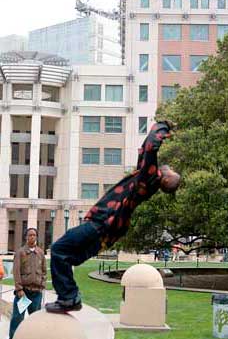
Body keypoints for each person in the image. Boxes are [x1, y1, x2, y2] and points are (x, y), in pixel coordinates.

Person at [46, 120, 180, 314]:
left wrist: (164, 125)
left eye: (172, 170)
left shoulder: (150, 179)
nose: (170, 166)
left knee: (58, 249)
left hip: (102, 223)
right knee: (65, 258)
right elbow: (144, 151)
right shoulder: (144, 178)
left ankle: (69, 298)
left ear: (166, 179)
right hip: (106, 234)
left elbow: (150, 147)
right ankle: (69, 297)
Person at [8, 228, 46, 339]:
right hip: (23, 293)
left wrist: (42, 284)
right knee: (18, 318)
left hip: (36, 293)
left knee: (35, 319)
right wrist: (19, 289)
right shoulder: (20, 252)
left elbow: (44, 271)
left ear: (36, 237)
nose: (32, 237)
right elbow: (16, 271)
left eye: (34, 235)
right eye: (30, 235)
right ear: (26, 237)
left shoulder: (40, 253)